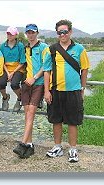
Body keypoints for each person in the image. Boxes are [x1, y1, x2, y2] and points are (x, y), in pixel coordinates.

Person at [43, 19, 90, 162]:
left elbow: (85, 69)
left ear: (70, 32)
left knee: (72, 121)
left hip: (73, 91)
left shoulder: (80, 49)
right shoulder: (51, 49)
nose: (62, 34)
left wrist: (82, 88)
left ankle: (73, 149)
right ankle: (57, 147)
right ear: (57, 33)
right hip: (55, 90)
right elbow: (46, 71)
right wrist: (46, 91)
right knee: (56, 120)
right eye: (59, 32)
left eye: (65, 31)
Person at [12, 24, 47, 158]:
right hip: (26, 84)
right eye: (28, 33)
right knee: (27, 114)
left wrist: (35, 77)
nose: (30, 35)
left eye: (32, 32)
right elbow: (21, 63)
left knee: (31, 113)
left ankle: (22, 143)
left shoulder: (43, 47)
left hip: (38, 84)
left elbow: (46, 65)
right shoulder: (25, 48)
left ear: (37, 33)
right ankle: (30, 145)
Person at [0, 26, 26, 112]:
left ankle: (20, 98)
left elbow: (22, 62)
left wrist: (13, 72)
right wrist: (7, 72)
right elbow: (1, 61)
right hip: (6, 68)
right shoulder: (3, 46)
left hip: (17, 69)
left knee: (14, 84)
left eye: (11, 34)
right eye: (8, 34)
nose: (9, 36)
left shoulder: (20, 46)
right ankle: (5, 97)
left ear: (16, 35)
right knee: (0, 83)